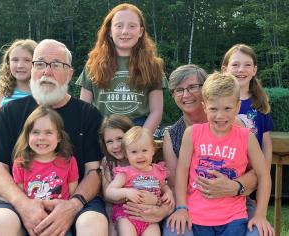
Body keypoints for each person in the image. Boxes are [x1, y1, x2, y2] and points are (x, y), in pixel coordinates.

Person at [0, 39, 108, 236]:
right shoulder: (10, 112)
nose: (46, 72)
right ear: (32, 70)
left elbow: (95, 171)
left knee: (93, 225)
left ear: (70, 74)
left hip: (78, 201)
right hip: (20, 200)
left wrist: (72, 206)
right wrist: (23, 205)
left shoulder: (88, 114)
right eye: (40, 64)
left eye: (56, 65)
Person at [167, 72, 273, 236]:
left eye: (227, 108)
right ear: (204, 107)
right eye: (213, 109)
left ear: (238, 107)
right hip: (196, 215)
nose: (220, 116)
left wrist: (260, 215)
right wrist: (181, 207)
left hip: (233, 218)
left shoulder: (246, 137)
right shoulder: (192, 133)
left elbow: (264, 175)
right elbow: (182, 171)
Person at [76, 3, 167, 134]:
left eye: (132, 26)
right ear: (109, 31)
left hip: (138, 128)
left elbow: (156, 111)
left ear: (141, 31)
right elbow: (84, 108)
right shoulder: (93, 64)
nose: (125, 31)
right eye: (119, 26)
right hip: (102, 130)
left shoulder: (153, 65)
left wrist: (141, 137)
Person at [12, 106, 78, 236]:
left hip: (59, 224)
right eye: (35, 132)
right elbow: (20, 198)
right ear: (27, 136)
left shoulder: (69, 161)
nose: (41, 137)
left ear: (59, 137)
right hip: (31, 223)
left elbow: (72, 194)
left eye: (48, 132)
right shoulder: (20, 163)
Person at [106, 126, 174, 236]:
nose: (140, 156)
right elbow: (110, 191)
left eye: (144, 150)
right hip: (128, 216)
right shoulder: (125, 173)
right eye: (134, 152)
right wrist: (126, 192)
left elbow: (163, 186)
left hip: (150, 218)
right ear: (126, 154)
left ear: (153, 150)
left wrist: (168, 193)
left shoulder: (158, 170)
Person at [221, 43, 273, 169]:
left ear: (254, 70)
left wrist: (264, 173)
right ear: (224, 70)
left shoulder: (260, 102)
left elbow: (266, 142)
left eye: (247, 65)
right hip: (225, 171)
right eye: (235, 64)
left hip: (254, 172)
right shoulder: (217, 102)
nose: (241, 69)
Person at [99, 114, 134, 236]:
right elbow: (108, 197)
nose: (115, 146)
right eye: (109, 141)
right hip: (115, 212)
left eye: (120, 139)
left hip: (141, 212)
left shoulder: (140, 159)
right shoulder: (108, 163)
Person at [0, 39, 37, 120]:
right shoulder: (1, 96)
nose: (20, 65)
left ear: (37, 63)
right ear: (8, 63)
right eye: (15, 60)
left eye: (27, 60)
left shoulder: (45, 95)